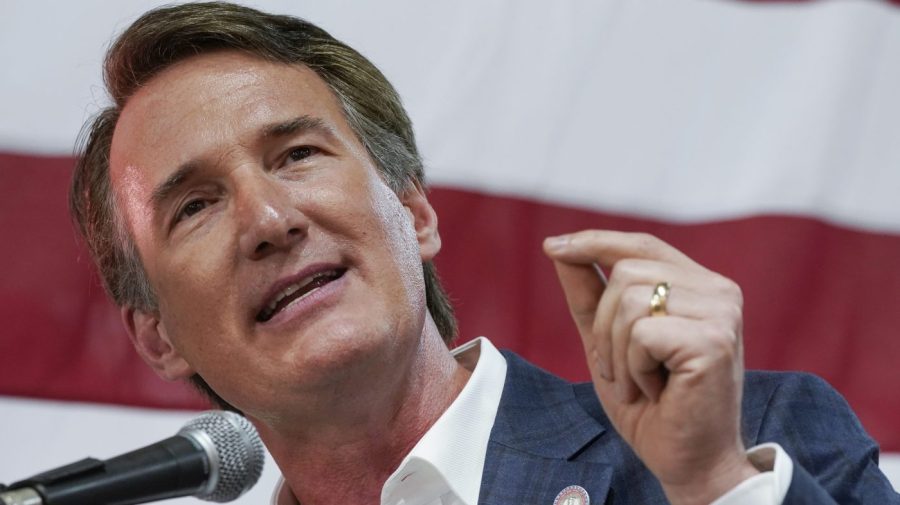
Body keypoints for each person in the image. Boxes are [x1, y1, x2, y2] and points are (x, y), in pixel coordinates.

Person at [69, 2, 898, 504]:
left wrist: (713, 482)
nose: (269, 219)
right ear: (156, 336)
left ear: (414, 210)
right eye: (195, 206)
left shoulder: (750, 438)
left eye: (296, 155)